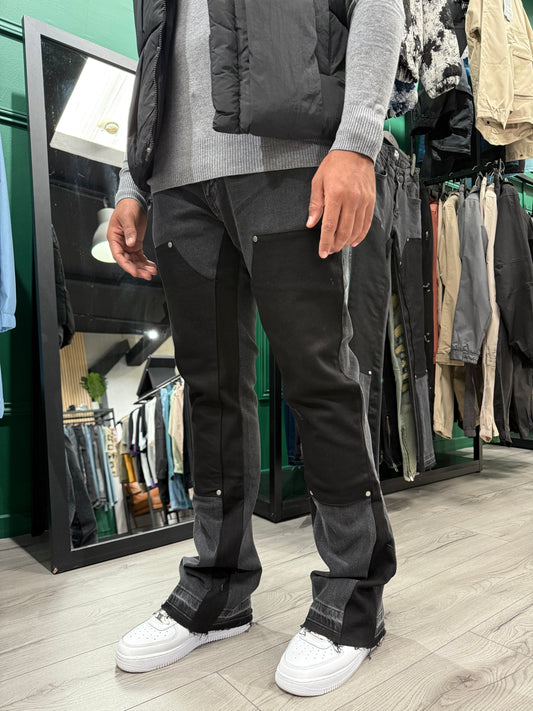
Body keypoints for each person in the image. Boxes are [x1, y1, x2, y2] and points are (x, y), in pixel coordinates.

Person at [110, 0, 404, 697]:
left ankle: (353, 591)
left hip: (288, 159)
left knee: (316, 376)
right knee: (208, 390)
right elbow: (154, 52)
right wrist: (132, 181)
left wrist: (357, 141)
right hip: (175, 185)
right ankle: (218, 585)